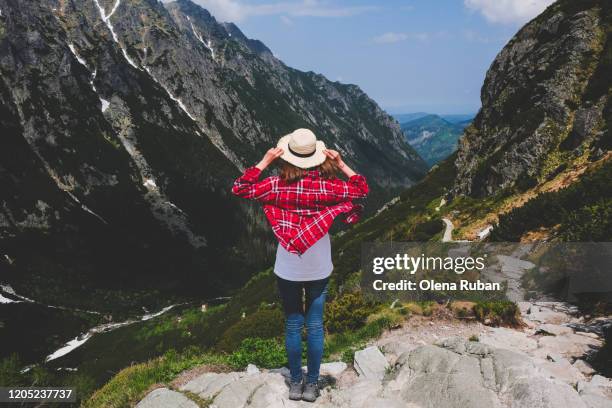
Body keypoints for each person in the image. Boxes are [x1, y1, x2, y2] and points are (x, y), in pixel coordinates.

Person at [231, 128, 369, 402]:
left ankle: (295, 382)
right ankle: (313, 384)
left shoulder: (275, 185)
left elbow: (240, 187)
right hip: (318, 265)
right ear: (317, 157)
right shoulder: (328, 187)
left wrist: (265, 161)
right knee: (315, 325)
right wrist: (341, 163)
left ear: (287, 155)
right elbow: (361, 188)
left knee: (293, 325)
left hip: (288, 265)